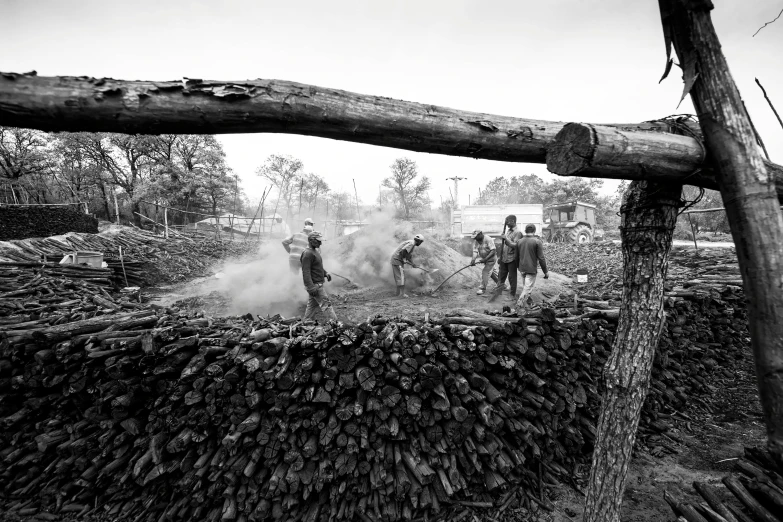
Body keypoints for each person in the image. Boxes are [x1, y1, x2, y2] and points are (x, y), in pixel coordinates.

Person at [300, 231, 337, 322]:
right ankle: (335, 324)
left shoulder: (314, 251)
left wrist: (325, 273)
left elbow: (317, 267)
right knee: (326, 306)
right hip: (316, 286)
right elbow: (306, 272)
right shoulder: (307, 254)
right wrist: (311, 287)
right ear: (311, 240)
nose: (320, 243)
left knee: (311, 306)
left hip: (316, 285)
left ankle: (306, 321)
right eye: (318, 241)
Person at [515, 224, 549, 311]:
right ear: (534, 231)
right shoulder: (537, 242)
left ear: (525, 231)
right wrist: (545, 271)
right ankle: (519, 306)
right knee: (527, 288)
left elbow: (516, 257)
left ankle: (530, 303)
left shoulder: (519, 241)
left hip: (522, 269)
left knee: (526, 287)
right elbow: (541, 258)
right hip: (531, 269)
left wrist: (518, 267)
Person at [492, 215, 523, 301]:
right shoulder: (508, 231)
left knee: (512, 278)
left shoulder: (518, 232)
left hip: (512, 259)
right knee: (501, 276)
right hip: (504, 258)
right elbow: (504, 246)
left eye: (508, 221)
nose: (506, 223)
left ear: (513, 221)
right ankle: (498, 293)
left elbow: (516, 245)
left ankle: (512, 295)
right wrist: (500, 257)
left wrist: (506, 239)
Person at [470, 230, 497, 295]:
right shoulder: (476, 241)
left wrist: (485, 259)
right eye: (475, 238)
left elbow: (493, 251)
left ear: (480, 234)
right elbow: (475, 251)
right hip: (485, 259)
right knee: (491, 273)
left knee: (485, 272)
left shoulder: (488, 239)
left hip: (491, 259)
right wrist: (473, 260)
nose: (475, 239)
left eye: (476, 237)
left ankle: (482, 289)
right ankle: (501, 284)